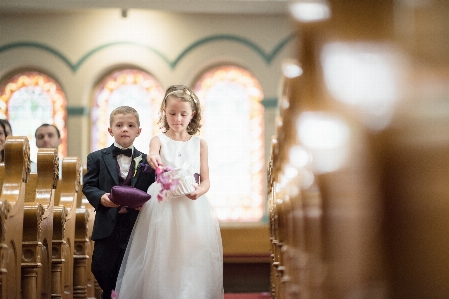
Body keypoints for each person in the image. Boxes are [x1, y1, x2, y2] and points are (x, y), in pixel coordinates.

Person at [115, 85, 223, 298]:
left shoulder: (200, 144)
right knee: (163, 253)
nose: (177, 119)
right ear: (164, 112)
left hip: (191, 205)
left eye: (183, 114)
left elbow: (206, 180)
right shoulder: (158, 139)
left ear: (192, 114)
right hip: (163, 201)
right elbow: (153, 154)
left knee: (192, 254)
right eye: (172, 113)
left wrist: (199, 191)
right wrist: (154, 159)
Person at [82, 106, 156, 299]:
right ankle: (109, 293)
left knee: (132, 266)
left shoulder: (148, 162)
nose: (125, 129)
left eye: (130, 125)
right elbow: (89, 186)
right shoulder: (96, 158)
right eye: (119, 125)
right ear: (110, 130)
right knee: (100, 266)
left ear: (138, 131)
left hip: (135, 225)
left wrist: (146, 204)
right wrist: (101, 198)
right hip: (108, 224)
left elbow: (154, 190)